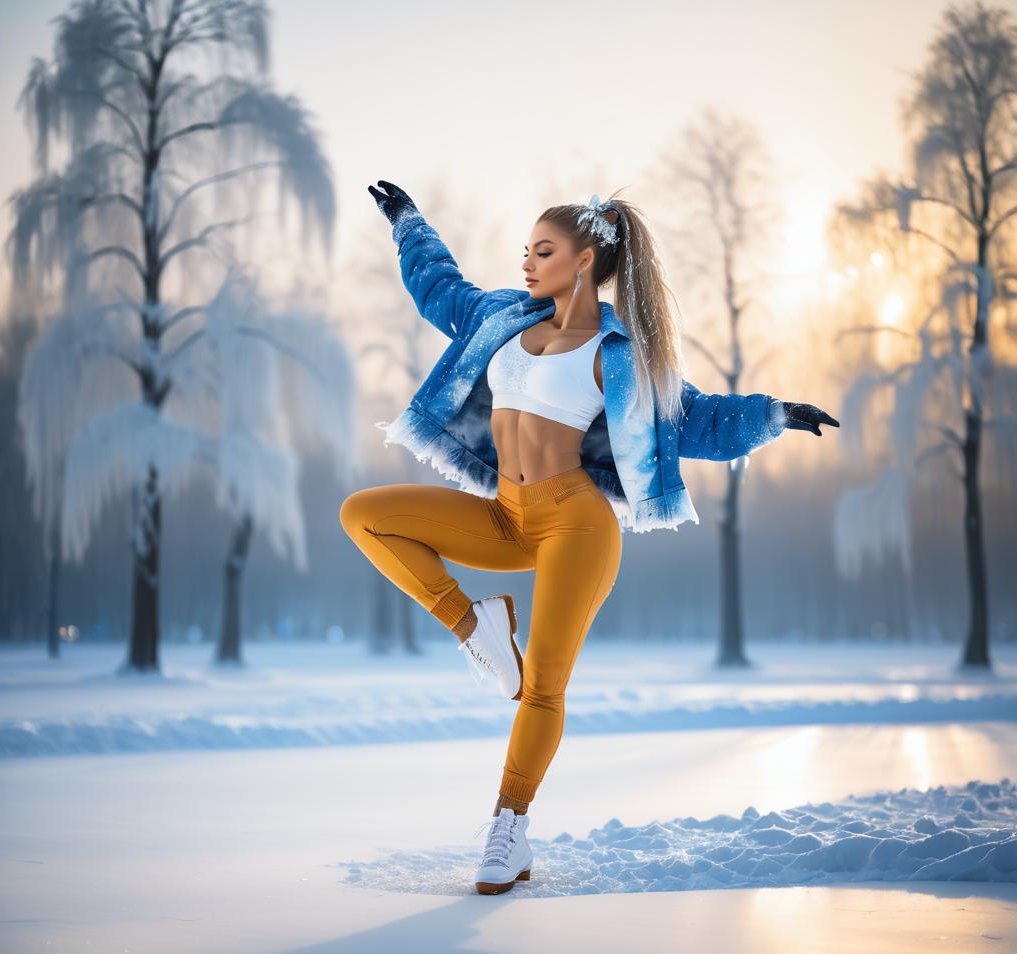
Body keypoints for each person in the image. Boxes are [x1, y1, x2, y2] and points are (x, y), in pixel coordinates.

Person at [340, 181, 839, 895]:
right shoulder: (501, 317)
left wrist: (774, 413)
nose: (528, 264)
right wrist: (407, 224)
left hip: (576, 520)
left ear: (583, 262)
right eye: (527, 250)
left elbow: (695, 418)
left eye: (543, 251)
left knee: (544, 684)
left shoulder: (621, 353)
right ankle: (473, 625)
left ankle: (507, 829)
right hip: (505, 513)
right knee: (365, 514)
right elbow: (438, 289)